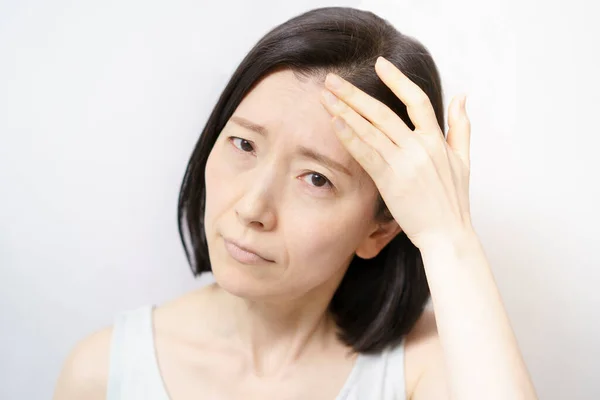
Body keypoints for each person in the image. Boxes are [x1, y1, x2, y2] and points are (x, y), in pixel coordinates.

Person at [53, 6, 536, 400]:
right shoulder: (102, 373)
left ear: (379, 230)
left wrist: (447, 236)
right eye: (243, 145)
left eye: (316, 179)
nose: (252, 208)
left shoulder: (426, 370)